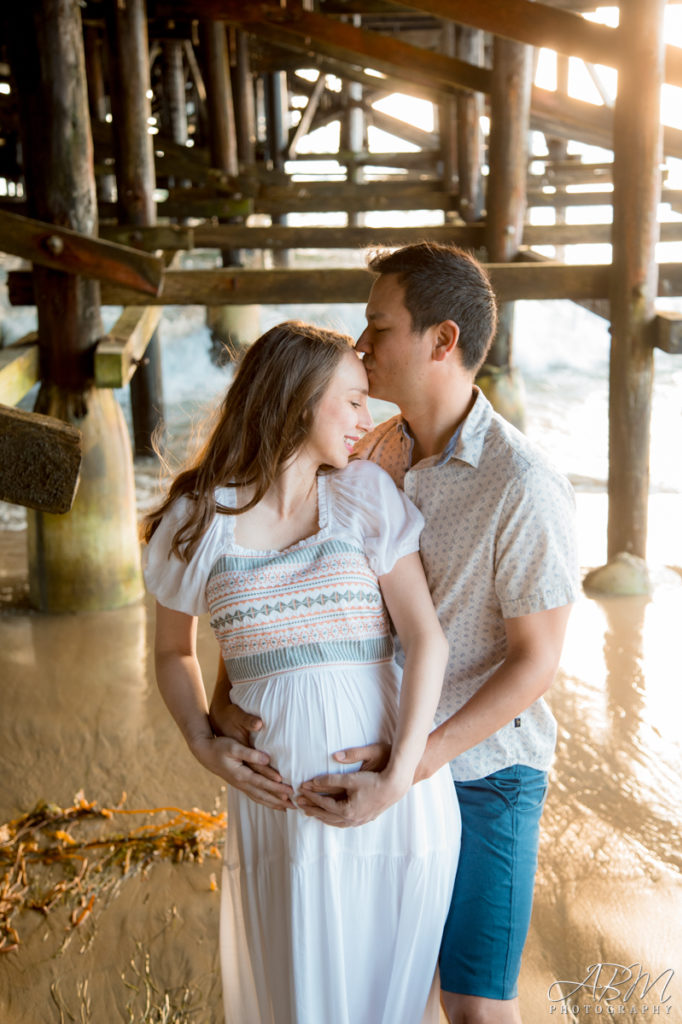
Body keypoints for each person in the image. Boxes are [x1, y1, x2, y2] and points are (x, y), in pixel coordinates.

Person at [212, 247, 579, 1024]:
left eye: (378, 325)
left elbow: (535, 663)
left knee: (475, 1003)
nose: (361, 343)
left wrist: (410, 766)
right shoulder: (372, 450)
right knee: (382, 984)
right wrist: (224, 700)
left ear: (441, 341)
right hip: (377, 754)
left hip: (483, 774)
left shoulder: (521, 484)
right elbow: (280, 582)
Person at [142, 320, 460, 1024]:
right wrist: (201, 739)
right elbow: (172, 652)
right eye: (351, 401)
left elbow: (426, 641)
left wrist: (395, 778)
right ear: (297, 398)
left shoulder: (364, 499)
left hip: (390, 812)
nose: (366, 419)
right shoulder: (197, 521)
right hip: (277, 821)